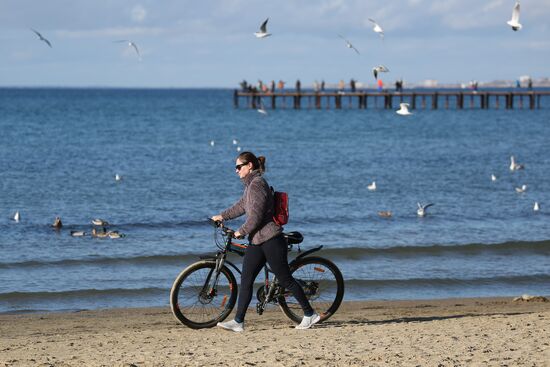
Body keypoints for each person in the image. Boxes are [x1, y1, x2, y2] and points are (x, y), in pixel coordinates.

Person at [211, 152, 320, 332]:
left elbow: (256, 216)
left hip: (271, 240)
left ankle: (310, 314)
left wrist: (241, 231)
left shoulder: (257, 185)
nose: (236, 171)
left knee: (285, 279)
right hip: (257, 241)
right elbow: (240, 206)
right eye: (235, 167)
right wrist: (222, 215)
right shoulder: (249, 186)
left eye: (239, 167)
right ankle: (238, 321)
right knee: (246, 280)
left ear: (249, 166)